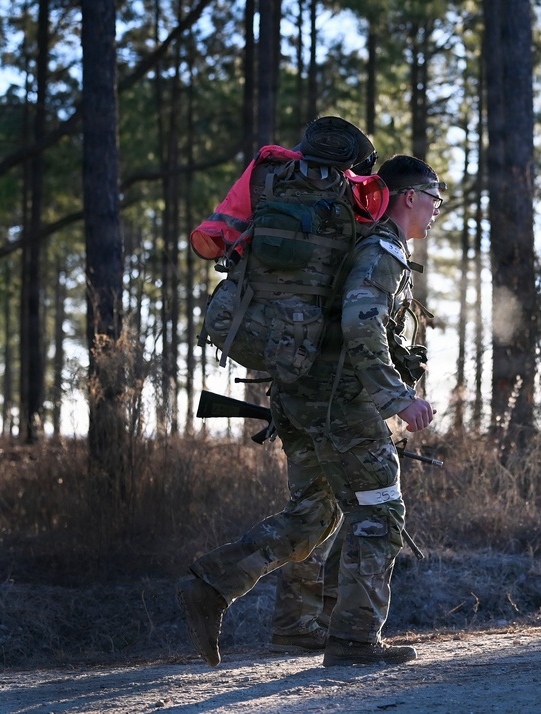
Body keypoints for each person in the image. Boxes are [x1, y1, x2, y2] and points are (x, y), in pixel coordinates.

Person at [177, 153, 444, 668]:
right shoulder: (382, 248)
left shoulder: (354, 243)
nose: (435, 211)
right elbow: (362, 322)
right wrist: (398, 398)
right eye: (434, 200)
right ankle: (353, 640)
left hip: (299, 396)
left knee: (314, 515)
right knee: (381, 512)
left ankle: (211, 585)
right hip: (342, 404)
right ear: (410, 197)